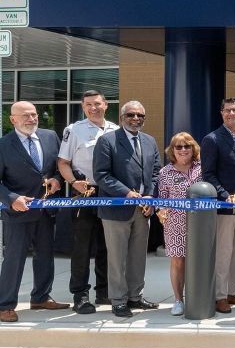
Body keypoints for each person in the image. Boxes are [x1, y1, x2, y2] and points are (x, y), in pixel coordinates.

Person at [0, 101, 68, 323]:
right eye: (25, 116)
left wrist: (57, 181)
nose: (31, 119)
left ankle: (40, 297)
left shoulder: (50, 137)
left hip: (46, 211)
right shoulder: (3, 144)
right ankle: (6, 305)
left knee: (45, 257)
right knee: (14, 259)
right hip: (18, 212)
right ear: (13, 120)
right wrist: (12, 199)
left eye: (34, 114)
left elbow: (60, 168)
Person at [93, 100, 161, 319]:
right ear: (122, 117)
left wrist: (150, 195)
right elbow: (102, 175)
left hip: (143, 209)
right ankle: (119, 300)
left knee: (138, 256)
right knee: (117, 258)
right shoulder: (107, 141)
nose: (136, 119)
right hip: (117, 209)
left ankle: (135, 296)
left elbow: (156, 172)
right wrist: (127, 193)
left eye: (140, 115)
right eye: (131, 115)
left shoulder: (150, 141)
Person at [57, 89, 118, 314]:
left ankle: (104, 291)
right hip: (85, 191)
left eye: (97, 104)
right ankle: (81, 295)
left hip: (111, 193)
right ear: (83, 107)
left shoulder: (116, 130)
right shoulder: (74, 130)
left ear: (106, 105)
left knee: (107, 245)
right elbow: (63, 162)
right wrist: (73, 182)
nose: (93, 108)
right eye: (88, 105)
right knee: (82, 246)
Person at [200, 97, 235, 314]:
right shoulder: (212, 139)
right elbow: (208, 174)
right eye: (227, 110)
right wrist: (224, 195)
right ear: (221, 113)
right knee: (223, 253)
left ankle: (234, 291)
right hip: (225, 206)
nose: (231, 113)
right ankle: (220, 296)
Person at [156, 132, 201, 316]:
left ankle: (197, 298)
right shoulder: (165, 172)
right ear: (172, 150)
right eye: (179, 147)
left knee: (199, 261)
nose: (183, 150)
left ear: (193, 148)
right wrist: (162, 210)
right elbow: (162, 199)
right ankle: (178, 300)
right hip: (175, 222)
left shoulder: (202, 168)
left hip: (201, 223)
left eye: (187, 146)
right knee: (178, 262)